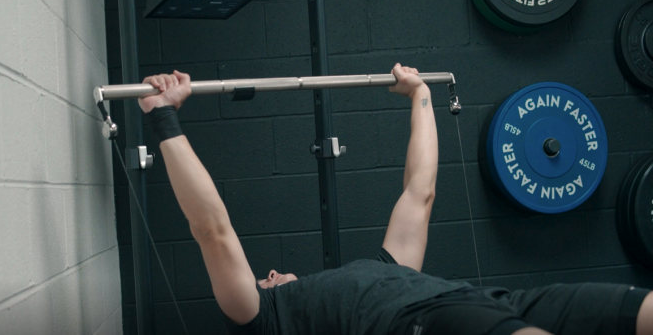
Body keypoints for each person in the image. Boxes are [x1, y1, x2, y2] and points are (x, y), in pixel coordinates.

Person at [138, 63, 653, 335]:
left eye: (265, 274)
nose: (268, 273)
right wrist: (163, 116)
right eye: (263, 278)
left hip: (496, 303)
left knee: (632, 309)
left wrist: (420, 95)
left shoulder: (386, 267)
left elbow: (419, 192)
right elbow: (213, 229)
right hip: (421, 327)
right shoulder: (260, 320)